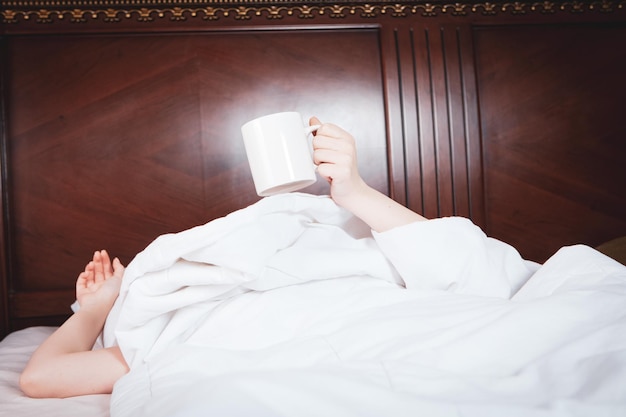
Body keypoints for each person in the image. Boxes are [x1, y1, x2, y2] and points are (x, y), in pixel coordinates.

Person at [19, 117, 427, 398]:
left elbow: (459, 261)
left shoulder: (371, 271)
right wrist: (97, 307)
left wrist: (354, 191)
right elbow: (40, 379)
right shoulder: (186, 322)